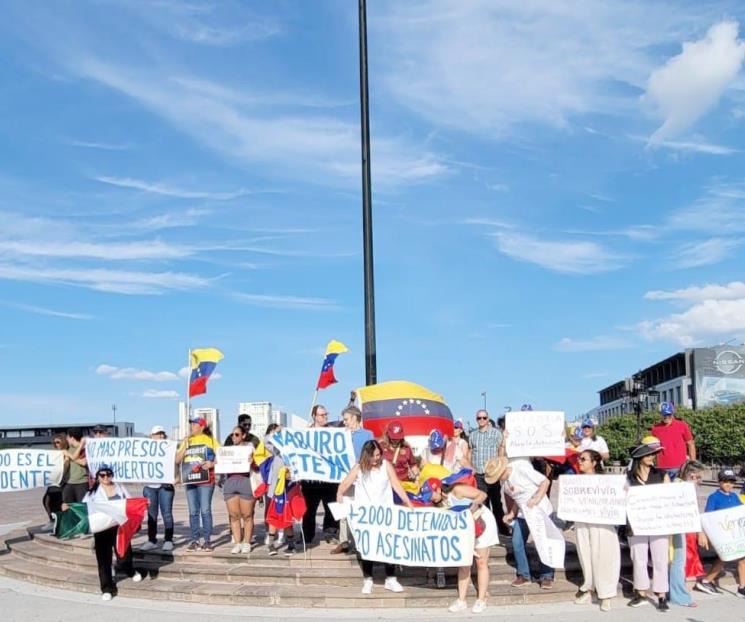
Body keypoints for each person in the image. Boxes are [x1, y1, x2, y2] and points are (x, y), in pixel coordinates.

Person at [336, 440, 414, 594]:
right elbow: (343, 486)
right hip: (366, 516)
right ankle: (368, 579)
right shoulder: (359, 468)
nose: (377, 458)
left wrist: (408, 502)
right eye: (374, 456)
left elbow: (396, 485)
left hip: (385, 514)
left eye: (379, 454)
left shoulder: (386, 466)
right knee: (367, 547)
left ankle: (391, 579)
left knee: (389, 545)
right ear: (367, 456)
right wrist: (340, 497)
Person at [428, 478, 498, 614]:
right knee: (464, 563)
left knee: (481, 562)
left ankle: (481, 600)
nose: (430, 499)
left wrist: (470, 509)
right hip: (465, 530)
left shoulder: (457, 490)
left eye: (430, 494)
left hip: (482, 523)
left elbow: (482, 495)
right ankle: (461, 600)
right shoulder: (438, 505)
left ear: (438, 489)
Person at [80, 464, 143, 600]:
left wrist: (142, 505)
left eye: (108, 474)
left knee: (124, 553)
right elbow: (83, 508)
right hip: (102, 529)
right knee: (103, 559)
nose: (106, 477)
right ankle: (107, 587)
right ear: (97, 477)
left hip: (119, 527)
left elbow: (130, 502)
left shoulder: (120, 488)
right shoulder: (91, 493)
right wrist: (68, 507)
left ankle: (129, 570)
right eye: (102, 475)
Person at [626, 436, 671, 611]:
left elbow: (669, 497)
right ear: (640, 457)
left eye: (653, 454)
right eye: (649, 454)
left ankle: (661, 595)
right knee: (639, 559)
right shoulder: (628, 477)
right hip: (636, 525)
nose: (652, 457)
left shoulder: (662, 474)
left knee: (660, 559)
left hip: (659, 523)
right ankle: (641, 593)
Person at [572, 450, 620, 612]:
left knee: (604, 557)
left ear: (594, 463)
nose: (580, 461)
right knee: (585, 556)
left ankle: (606, 595)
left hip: (602, 524)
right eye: (579, 458)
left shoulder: (605, 481)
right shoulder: (575, 482)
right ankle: (589, 588)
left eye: (584, 459)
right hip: (582, 523)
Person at [498, 457, 555, 589]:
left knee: (543, 542)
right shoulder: (505, 484)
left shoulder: (522, 471)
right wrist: (511, 513)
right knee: (517, 542)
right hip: (523, 514)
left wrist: (536, 499)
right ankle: (524, 574)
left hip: (541, 511)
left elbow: (545, 482)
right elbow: (517, 499)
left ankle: (546, 575)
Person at [696, 468, 745, 597]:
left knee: (742, 559)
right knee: (724, 558)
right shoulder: (714, 497)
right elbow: (708, 517)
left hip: (734, 534)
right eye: (725, 481)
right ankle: (706, 580)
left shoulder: (734, 496)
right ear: (719, 482)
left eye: (731, 482)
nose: (729, 484)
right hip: (721, 535)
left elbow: (740, 511)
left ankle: (742, 587)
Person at [332, 405, 373, 555]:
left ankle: (359, 543)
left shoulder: (368, 434)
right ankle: (343, 542)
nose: (345, 422)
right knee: (343, 508)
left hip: (362, 477)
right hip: (345, 477)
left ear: (355, 418)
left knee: (360, 510)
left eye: (346, 419)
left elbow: (371, 453)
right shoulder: (341, 435)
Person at [176, 415, 218, 551]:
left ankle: (207, 541)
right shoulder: (187, 440)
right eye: (191, 424)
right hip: (190, 480)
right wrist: (185, 444)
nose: (192, 426)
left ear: (202, 426)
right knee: (193, 511)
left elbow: (222, 456)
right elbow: (177, 460)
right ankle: (195, 540)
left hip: (206, 480)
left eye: (195, 424)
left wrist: (212, 463)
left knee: (205, 510)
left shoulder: (210, 440)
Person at [669, 459, 706, 606]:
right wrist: (699, 531)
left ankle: (675, 593)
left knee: (676, 562)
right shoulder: (681, 487)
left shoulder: (678, 485)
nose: (699, 481)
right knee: (678, 562)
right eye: (698, 477)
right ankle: (680, 596)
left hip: (678, 527)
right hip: (677, 529)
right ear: (691, 475)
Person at [301, 405, 339, 545]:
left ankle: (331, 533)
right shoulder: (306, 432)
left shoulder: (333, 432)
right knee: (309, 509)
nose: (325, 417)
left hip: (329, 479)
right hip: (311, 479)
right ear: (314, 416)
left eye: (326, 414)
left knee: (331, 507)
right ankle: (307, 535)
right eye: (322, 415)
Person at [469, 410, 508, 535]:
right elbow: (470, 452)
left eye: (484, 418)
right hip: (479, 474)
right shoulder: (473, 435)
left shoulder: (496, 434)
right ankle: (486, 530)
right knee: (482, 504)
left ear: (488, 418)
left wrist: (501, 464)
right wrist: (470, 467)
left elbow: (501, 448)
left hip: (492, 474)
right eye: (479, 418)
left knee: (497, 503)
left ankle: (503, 529)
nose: (481, 420)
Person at [222, 425, 256, 555]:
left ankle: (247, 542)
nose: (234, 437)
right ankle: (237, 542)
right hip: (230, 482)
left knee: (247, 515)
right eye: (232, 434)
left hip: (245, 481)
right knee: (233, 515)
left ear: (243, 436)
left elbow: (259, 465)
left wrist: (253, 461)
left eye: (236, 434)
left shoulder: (250, 448)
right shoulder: (227, 450)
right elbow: (220, 464)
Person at [140, 426, 175, 552]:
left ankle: (168, 539)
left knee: (167, 514)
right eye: (157, 434)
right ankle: (152, 540)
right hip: (150, 486)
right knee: (151, 515)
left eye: (162, 434)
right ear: (151, 436)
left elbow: (175, 462)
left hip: (165, 486)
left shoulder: (169, 448)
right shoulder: (144, 449)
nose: (160, 436)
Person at [650, 402, 696, 479]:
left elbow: (690, 444)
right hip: (662, 468)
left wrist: (693, 465)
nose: (667, 417)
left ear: (673, 413)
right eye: (664, 415)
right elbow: (653, 448)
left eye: (669, 414)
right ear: (660, 414)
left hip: (680, 467)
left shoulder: (682, 425)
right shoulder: (655, 429)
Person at [41, 434, 68, 531]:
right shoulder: (55, 454)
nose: (56, 444)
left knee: (55, 502)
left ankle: (57, 522)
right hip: (52, 481)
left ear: (63, 442)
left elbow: (65, 467)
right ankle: (52, 520)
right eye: (54, 442)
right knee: (46, 501)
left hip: (60, 481)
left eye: (58, 442)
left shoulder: (65, 453)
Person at [62, 428, 89, 503]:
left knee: (82, 506)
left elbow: (84, 462)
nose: (67, 439)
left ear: (72, 438)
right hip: (68, 482)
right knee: (68, 506)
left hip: (82, 483)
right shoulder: (68, 449)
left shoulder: (86, 448)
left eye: (68, 437)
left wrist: (70, 456)